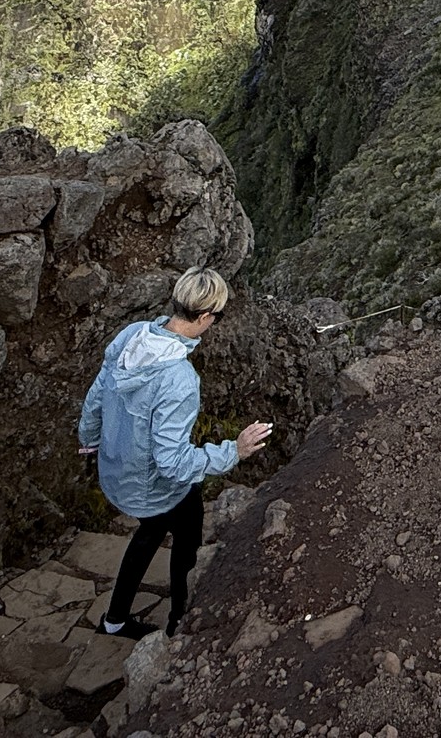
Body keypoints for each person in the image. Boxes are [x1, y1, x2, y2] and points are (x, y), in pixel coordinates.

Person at [77, 268, 273, 641]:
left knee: (151, 530)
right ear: (205, 316)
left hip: (117, 468)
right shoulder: (178, 379)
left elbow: (98, 392)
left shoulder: (132, 335)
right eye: (217, 317)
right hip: (151, 483)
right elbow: (172, 463)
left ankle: (115, 620)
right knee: (187, 532)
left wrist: (89, 439)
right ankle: (179, 621)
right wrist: (234, 450)